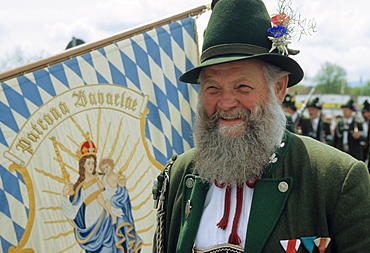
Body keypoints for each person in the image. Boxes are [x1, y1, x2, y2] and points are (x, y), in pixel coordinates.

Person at [152, 0, 370, 252]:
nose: (225, 103)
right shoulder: (180, 173)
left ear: (278, 88)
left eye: (242, 87)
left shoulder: (337, 179)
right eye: (212, 88)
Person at [61, 139, 143, 252]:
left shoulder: (102, 177)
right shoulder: (79, 188)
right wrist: (64, 196)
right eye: (88, 163)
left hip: (107, 219)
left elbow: (117, 191)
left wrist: (120, 191)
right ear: (83, 165)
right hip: (91, 221)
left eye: (93, 163)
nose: (91, 166)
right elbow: (72, 212)